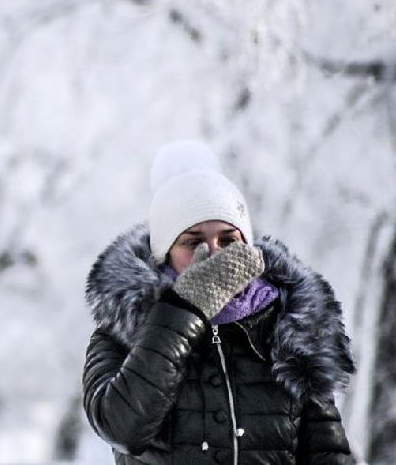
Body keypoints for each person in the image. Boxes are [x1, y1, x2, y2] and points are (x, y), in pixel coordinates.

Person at [82, 140, 355, 464]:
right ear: (164, 252)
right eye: (193, 241)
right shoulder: (122, 330)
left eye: (228, 239)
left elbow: (327, 452)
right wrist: (184, 309)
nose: (214, 253)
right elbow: (121, 428)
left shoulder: (290, 327)